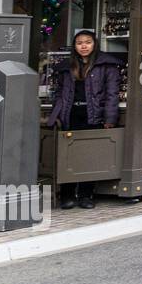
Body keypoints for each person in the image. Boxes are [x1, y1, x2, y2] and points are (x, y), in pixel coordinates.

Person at [47, 29, 123, 210]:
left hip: (93, 115)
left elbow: (112, 94)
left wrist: (109, 118)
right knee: (68, 156)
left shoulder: (107, 65)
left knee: (90, 155)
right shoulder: (67, 67)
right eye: (79, 43)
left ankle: (86, 195)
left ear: (94, 44)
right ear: (74, 46)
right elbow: (59, 93)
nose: (84, 46)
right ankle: (66, 194)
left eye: (88, 42)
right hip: (70, 114)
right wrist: (56, 114)